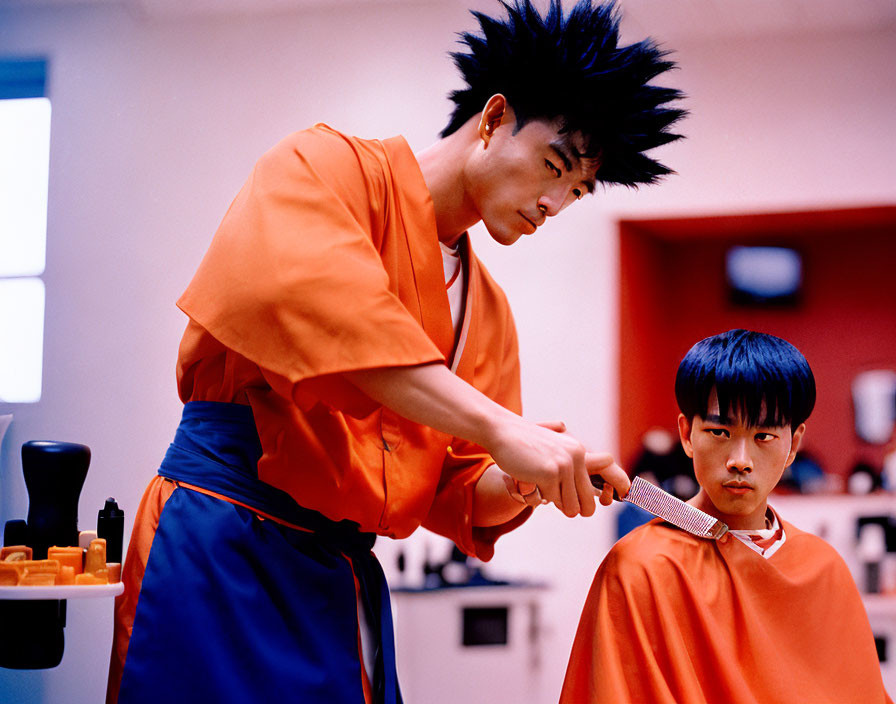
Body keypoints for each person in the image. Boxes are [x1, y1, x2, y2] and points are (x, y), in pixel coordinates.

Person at [107, 1, 685, 703]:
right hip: (221, 539)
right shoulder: (321, 166)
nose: (553, 203)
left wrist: (529, 476)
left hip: (337, 577)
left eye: (575, 191)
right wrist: (506, 429)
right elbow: (338, 328)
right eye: (553, 167)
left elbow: (460, 484)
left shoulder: (488, 309)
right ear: (495, 119)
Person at [560, 329, 893, 704]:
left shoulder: (824, 568)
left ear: (793, 444)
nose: (740, 460)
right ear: (687, 434)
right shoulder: (640, 569)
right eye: (719, 431)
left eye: (764, 436)